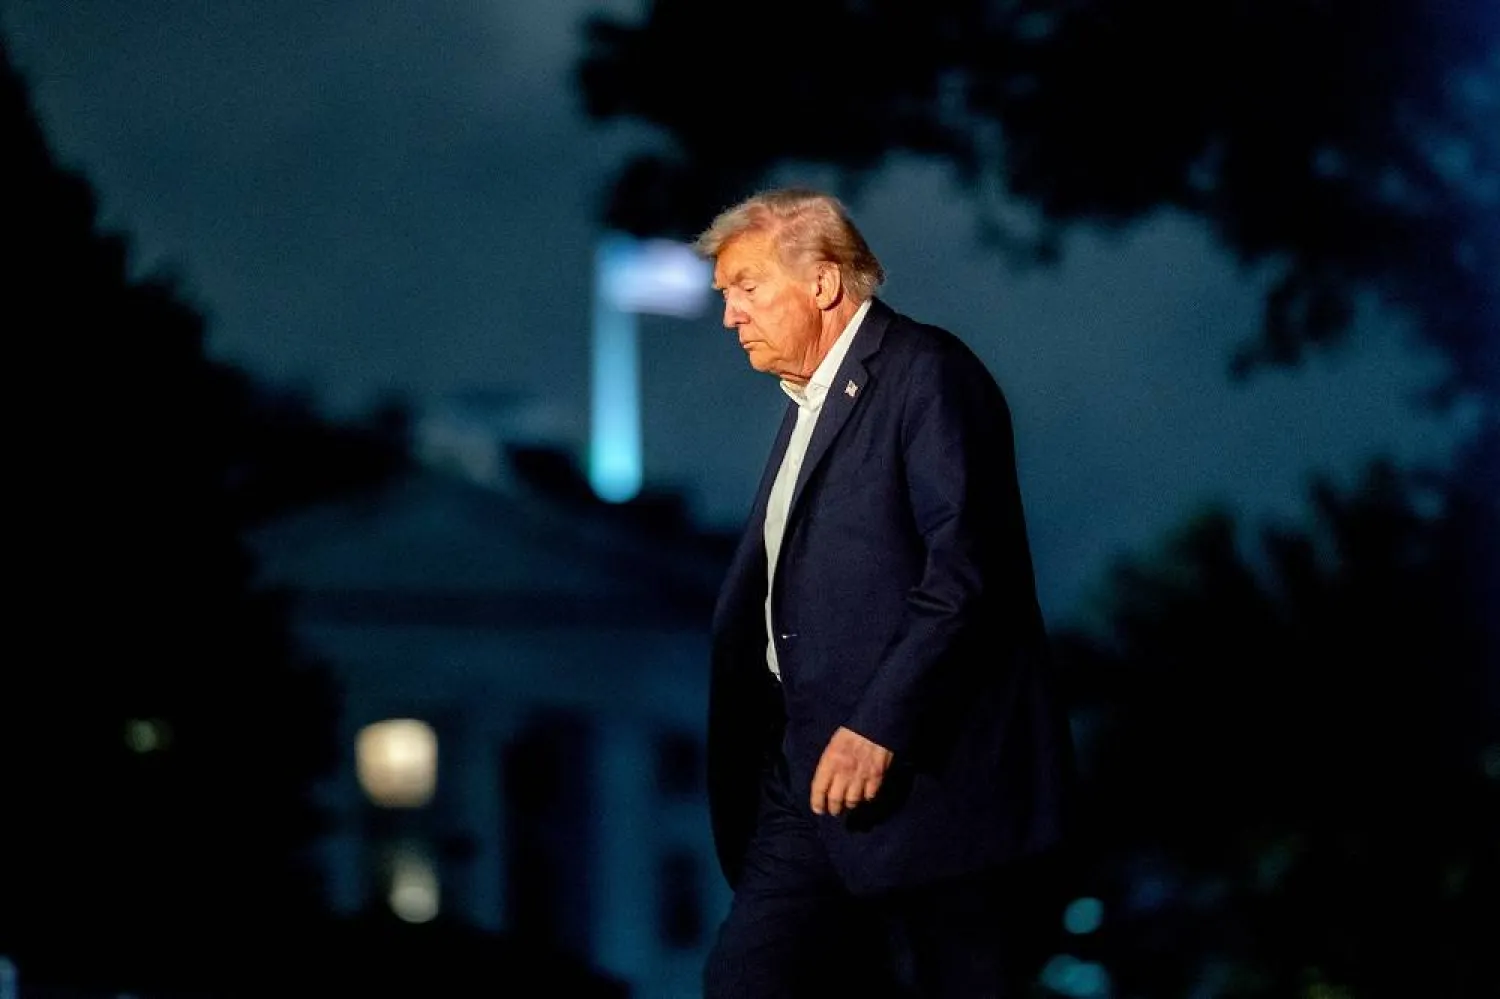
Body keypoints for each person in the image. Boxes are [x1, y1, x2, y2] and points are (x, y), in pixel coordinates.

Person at [694, 187, 1078, 998]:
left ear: (825, 282)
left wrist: (877, 726)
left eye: (747, 286)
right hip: (803, 782)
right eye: (726, 293)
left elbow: (968, 573)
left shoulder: (928, 372)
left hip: (928, 786)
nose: (731, 315)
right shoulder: (806, 404)